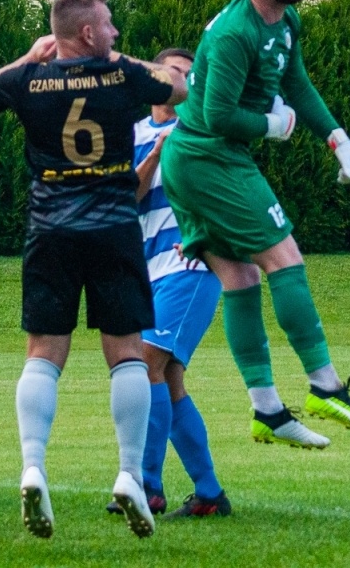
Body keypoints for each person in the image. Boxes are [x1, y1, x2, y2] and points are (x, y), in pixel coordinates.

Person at [0, 0, 186, 541]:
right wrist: (115, 60)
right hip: (113, 228)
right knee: (127, 351)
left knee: (43, 354)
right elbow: (176, 85)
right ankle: (130, 474)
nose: (115, 34)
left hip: (50, 231)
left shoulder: (30, 81)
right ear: (87, 33)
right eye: (107, 26)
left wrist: (27, 58)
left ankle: (33, 466)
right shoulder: (120, 75)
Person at [160, 0, 350, 451]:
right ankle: (326, 387)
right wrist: (272, 127)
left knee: (239, 278)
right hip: (206, 157)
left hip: (205, 158)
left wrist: (337, 139)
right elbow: (216, 114)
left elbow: (296, 85)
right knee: (285, 259)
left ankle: (268, 412)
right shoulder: (236, 33)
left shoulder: (286, 21)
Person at [125, 47, 230, 519]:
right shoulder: (130, 135)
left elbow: (233, 199)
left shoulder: (207, 132)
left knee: (146, 363)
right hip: (147, 269)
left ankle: (145, 487)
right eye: (173, 74)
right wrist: (154, 156)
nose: (181, 82)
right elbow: (125, 197)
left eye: (189, 76)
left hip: (190, 268)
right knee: (169, 380)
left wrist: (207, 238)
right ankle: (209, 492)